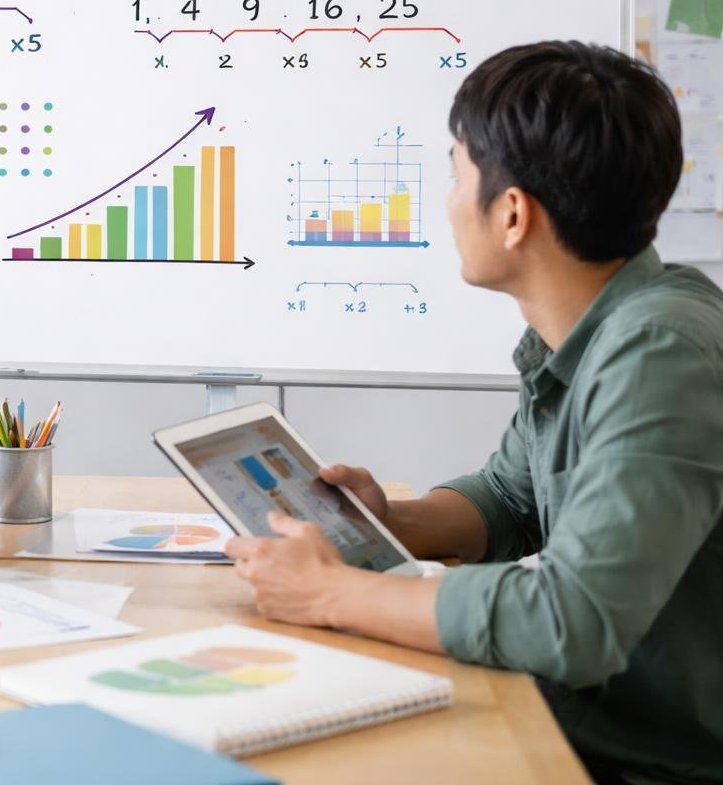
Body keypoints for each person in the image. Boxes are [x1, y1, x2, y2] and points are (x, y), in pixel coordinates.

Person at [225, 41, 723, 783]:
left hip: (643, 765)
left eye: (456, 172)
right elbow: (513, 496)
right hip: (572, 726)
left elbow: (572, 620)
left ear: (513, 213)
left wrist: (332, 591)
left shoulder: (660, 352)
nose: (450, 199)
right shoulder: (599, 328)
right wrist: (386, 520)